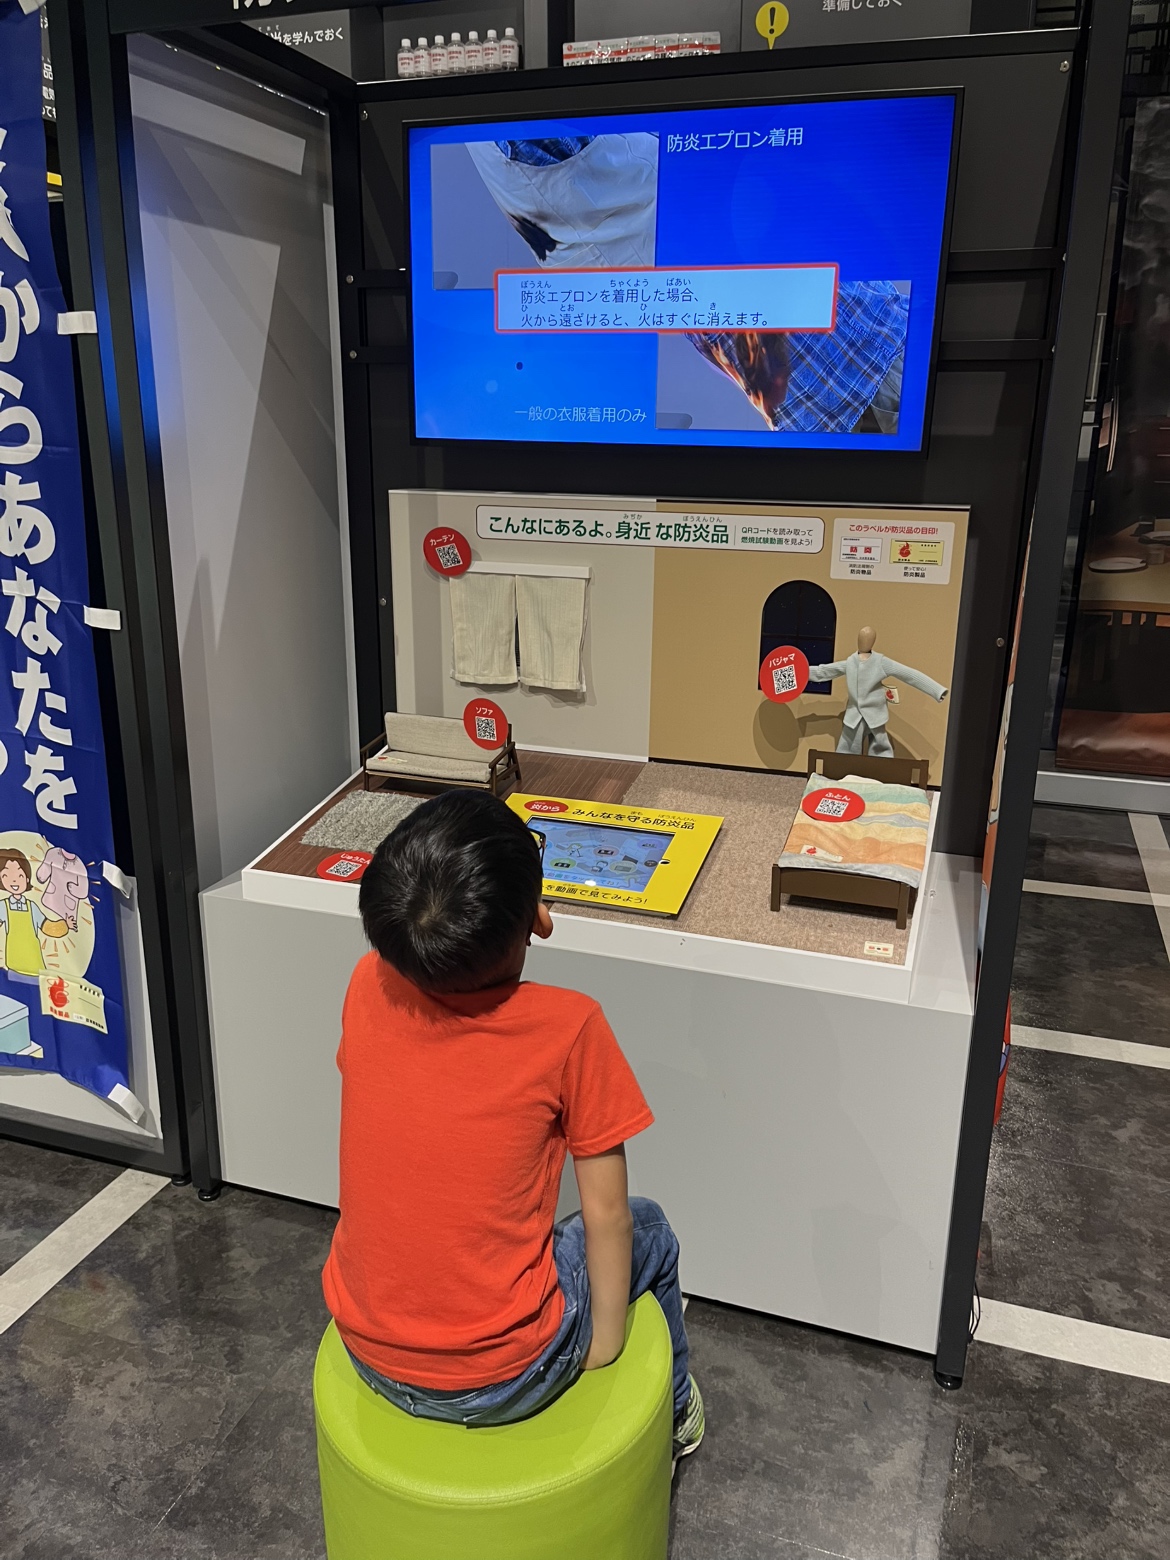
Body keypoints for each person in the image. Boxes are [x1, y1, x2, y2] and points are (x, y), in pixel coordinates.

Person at [322, 790, 704, 1463]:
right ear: (538, 920)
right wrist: (604, 1339)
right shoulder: (571, 1027)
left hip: (367, 1348)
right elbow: (609, 1215)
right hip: (507, 1376)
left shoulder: (364, 982)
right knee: (652, 1229)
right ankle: (677, 1417)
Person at [806, 625, 948, 758]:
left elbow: (909, 674)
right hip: (854, 715)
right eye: (861, 638)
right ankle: (843, 771)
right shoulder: (850, 662)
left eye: (867, 639)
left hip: (875, 714)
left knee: (881, 750)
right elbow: (823, 671)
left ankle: (882, 771)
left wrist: (937, 690)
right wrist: (797, 672)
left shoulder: (881, 662)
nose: (864, 642)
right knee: (847, 749)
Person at [0, 848, 67, 979]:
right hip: (14, 965)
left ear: (27, 878)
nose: (14, 881)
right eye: (6, 876)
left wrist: (65, 925)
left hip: (36, 966)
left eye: (20, 875)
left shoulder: (31, 906)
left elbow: (48, 927)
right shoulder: (3, 906)